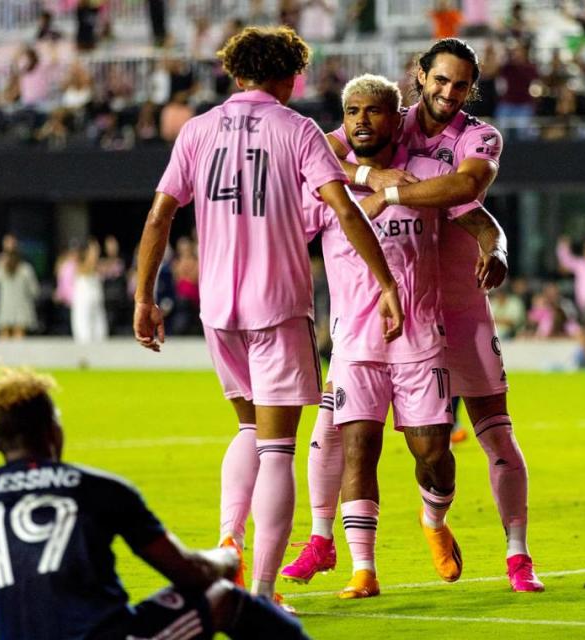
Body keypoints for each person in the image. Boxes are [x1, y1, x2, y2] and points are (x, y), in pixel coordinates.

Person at [133, 26, 403, 603]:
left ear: (234, 74)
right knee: (277, 447)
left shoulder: (197, 131)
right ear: (289, 76)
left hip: (216, 309)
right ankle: (259, 591)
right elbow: (345, 211)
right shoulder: (298, 129)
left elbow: (160, 218)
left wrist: (144, 297)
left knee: (248, 428)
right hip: (276, 307)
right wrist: (385, 280)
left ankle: (229, 538)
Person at [300, 37, 543, 592]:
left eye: (460, 85)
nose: (448, 92)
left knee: (494, 437)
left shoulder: (479, 135)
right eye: (440, 80)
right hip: (391, 309)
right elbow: (322, 153)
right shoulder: (386, 118)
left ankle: (516, 553)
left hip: (459, 307)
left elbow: (466, 189)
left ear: (471, 89)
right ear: (421, 76)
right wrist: (370, 179)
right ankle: (329, 543)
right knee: (337, 426)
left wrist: (496, 246)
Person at [0, 368, 311, 640]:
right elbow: (187, 571)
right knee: (223, 598)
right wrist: (225, 561)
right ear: (53, 431)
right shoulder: (98, 489)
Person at [0, 248, 40, 339]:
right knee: (19, 336)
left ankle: (3, 353)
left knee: (4, 335)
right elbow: (35, 290)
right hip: (22, 307)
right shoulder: (26, 269)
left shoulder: (2, 268)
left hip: (6, 307)